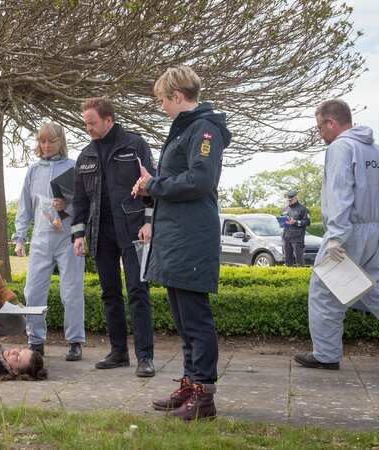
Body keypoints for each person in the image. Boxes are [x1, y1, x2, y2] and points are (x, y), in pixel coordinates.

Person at [132, 66, 231, 420]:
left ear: (177, 96)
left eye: (162, 100)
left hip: (190, 237)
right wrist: (150, 186)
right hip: (177, 236)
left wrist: (155, 185)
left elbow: (200, 179)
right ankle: (191, 385)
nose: (161, 107)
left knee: (195, 318)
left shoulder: (204, 129)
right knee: (182, 318)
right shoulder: (185, 130)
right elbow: (177, 180)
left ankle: (204, 395)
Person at [294, 99, 379, 370]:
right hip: (378, 231)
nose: (320, 134)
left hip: (349, 233)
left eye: (319, 128)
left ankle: (326, 354)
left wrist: (335, 238)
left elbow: (340, 194)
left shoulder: (341, 147)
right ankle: (326, 353)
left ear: (331, 122)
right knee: (373, 291)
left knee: (324, 293)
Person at [71, 96, 156, 377]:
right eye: (86, 124)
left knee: (137, 292)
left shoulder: (135, 145)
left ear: (109, 120)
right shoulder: (85, 156)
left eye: (92, 123)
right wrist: (78, 235)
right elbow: (80, 201)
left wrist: (148, 222)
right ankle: (118, 352)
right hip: (101, 234)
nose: (89, 128)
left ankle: (145, 357)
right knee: (110, 293)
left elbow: (152, 184)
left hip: (133, 231)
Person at [12, 122, 85, 360]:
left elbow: (85, 205)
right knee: (32, 291)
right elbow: (25, 205)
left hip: (68, 238)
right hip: (41, 239)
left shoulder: (74, 168)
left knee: (71, 291)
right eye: (42, 141)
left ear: (61, 142)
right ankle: (36, 340)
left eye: (51, 141)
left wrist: (68, 206)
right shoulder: (33, 171)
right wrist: (20, 237)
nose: (46, 146)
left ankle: (74, 341)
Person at [281, 190, 311, 267]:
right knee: (287, 260)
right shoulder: (286, 209)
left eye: (291, 200)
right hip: (286, 237)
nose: (289, 202)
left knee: (299, 260)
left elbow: (307, 222)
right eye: (288, 200)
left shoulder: (302, 209)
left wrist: (296, 222)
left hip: (297, 238)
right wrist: (282, 222)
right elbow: (282, 220)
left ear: (296, 198)